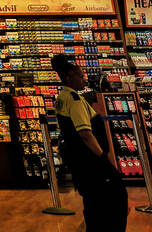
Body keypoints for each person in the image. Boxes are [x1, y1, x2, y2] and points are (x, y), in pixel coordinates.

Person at [52, 54, 128, 231]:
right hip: (90, 162)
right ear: (69, 78)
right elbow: (85, 134)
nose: (84, 79)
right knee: (113, 199)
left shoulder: (63, 96)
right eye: (80, 75)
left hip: (78, 161)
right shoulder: (75, 100)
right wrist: (103, 158)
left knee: (93, 203)